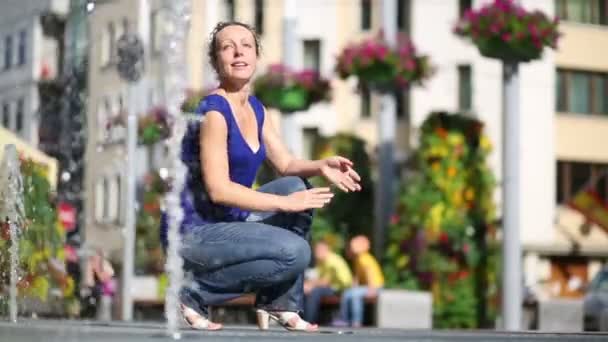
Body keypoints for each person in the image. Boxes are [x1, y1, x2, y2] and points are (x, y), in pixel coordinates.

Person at [159, 21, 362, 332]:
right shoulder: (214, 113)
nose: (239, 51)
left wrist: (321, 165)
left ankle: (280, 303)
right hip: (192, 232)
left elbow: (286, 163)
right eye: (228, 47)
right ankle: (190, 292)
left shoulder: (255, 108)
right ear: (216, 62)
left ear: (256, 54)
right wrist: (285, 203)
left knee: (297, 184)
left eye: (246, 45)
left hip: (226, 223)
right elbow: (219, 190)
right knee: (295, 251)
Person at [334, 235, 384, 327]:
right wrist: (354, 285)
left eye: (354, 245)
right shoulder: (358, 258)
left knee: (353, 294)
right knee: (350, 294)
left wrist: (371, 289)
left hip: (375, 286)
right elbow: (357, 276)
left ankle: (352, 320)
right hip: (369, 286)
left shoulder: (364, 258)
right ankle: (349, 319)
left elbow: (370, 274)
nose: (352, 247)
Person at [303, 240, 352, 325]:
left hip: (342, 288)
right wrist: (307, 284)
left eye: (319, 250)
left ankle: (309, 321)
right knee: (307, 291)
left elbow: (326, 281)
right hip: (333, 286)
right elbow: (319, 278)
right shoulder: (322, 261)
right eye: (316, 250)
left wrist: (310, 286)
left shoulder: (332, 261)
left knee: (315, 292)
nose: (316, 252)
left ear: (327, 250)